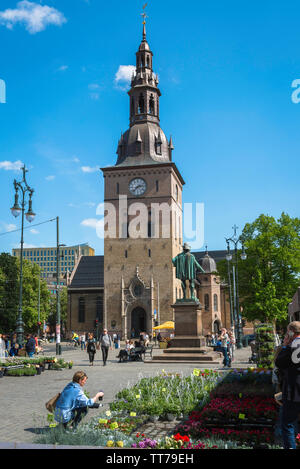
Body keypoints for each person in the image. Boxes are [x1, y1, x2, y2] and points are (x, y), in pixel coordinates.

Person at [275, 321, 300, 449]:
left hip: (293, 390)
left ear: (291, 332)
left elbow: (279, 362)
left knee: (287, 424)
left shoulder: (291, 346)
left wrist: (284, 346)